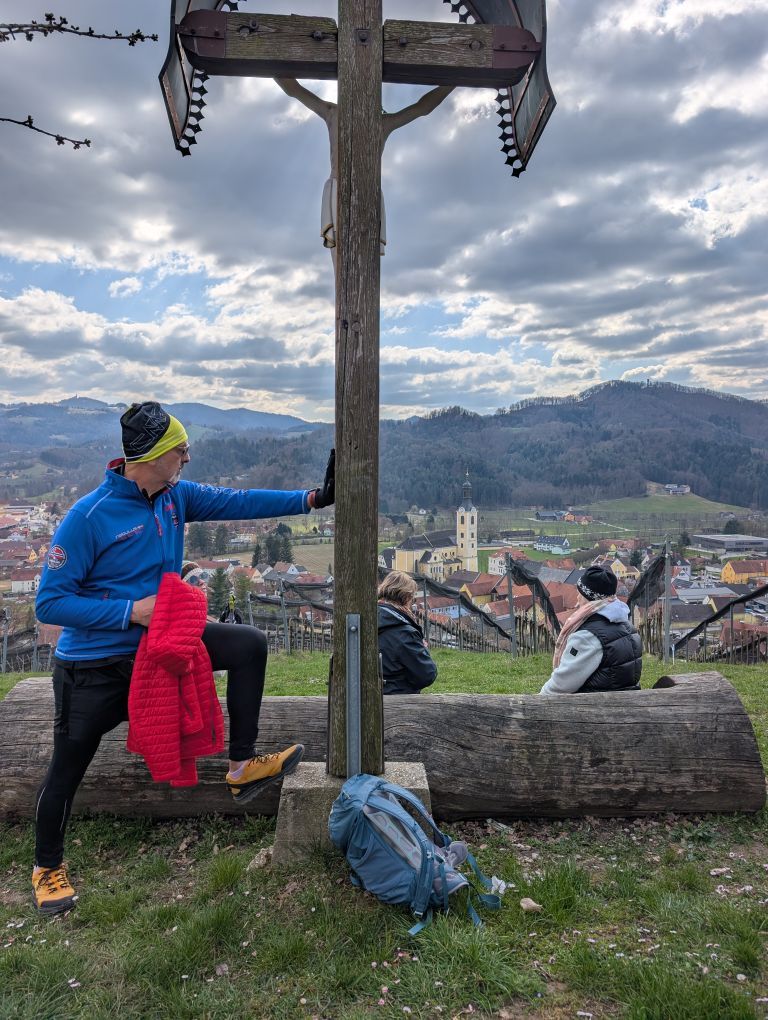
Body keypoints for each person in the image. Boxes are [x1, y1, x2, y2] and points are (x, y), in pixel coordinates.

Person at [32, 401, 335, 914]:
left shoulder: (175, 497)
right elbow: (51, 602)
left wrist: (311, 499)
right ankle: (46, 868)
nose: (188, 458)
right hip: (93, 667)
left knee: (248, 646)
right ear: (150, 456)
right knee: (67, 767)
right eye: (180, 449)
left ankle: (241, 767)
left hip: (161, 649)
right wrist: (133, 610)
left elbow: (238, 500)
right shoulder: (88, 517)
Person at [274, 78, 454, 262]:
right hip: (339, 188)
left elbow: (423, 108)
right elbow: (293, 89)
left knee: (366, 262)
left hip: (368, 192)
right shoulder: (333, 112)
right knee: (341, 260)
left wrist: (453, 80)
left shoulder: (382, 122)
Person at [539, 565, 642, 696]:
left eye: (580, 594)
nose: (577, 598)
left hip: (596, 709)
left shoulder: (587, 637)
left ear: (589, 598)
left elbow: (562, 684)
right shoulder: (627, 625)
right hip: (624, 702)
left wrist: (537, 700)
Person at [377, 571, 437, 695]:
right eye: (412, 598)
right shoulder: (404, 633)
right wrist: (423, 649)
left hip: (366, 696)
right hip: (396, 700)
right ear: (406, 597)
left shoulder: (367, 620)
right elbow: (427, 675)